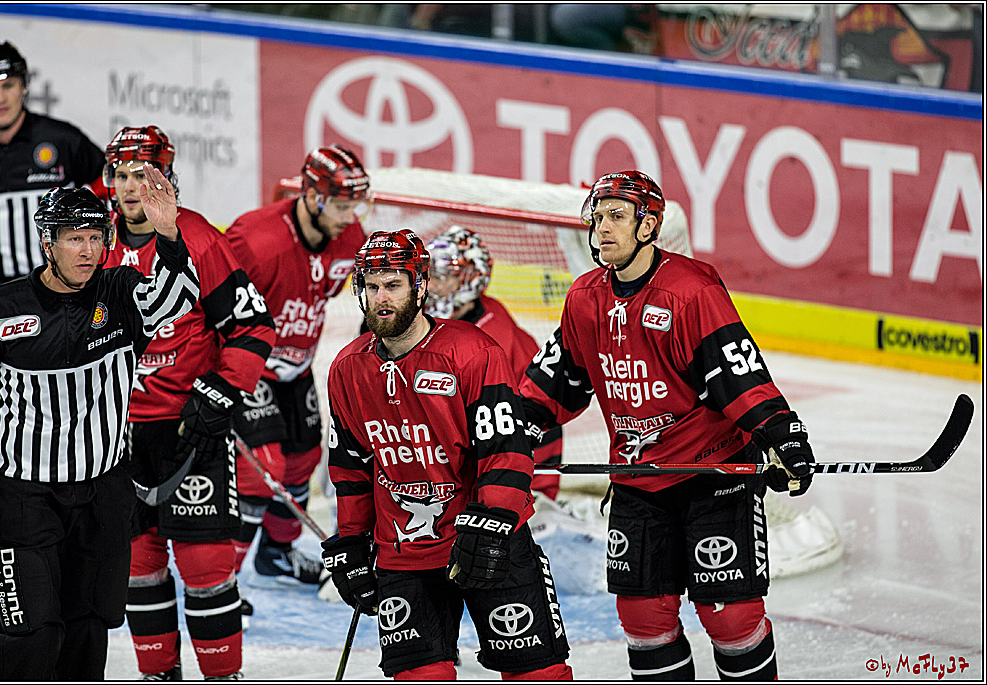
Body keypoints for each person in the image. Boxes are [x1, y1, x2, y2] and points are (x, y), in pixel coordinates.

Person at [518, 171, 816, 680]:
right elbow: (553, 385)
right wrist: (500, 433)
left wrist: (780, 433)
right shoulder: (584, 298)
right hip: (637, 480)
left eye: (617, 217)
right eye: (598, 217)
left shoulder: (690, 290)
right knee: (643, 621)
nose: (602, 228)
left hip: (715, 474)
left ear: (649, 225)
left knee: (732, 620)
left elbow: (737, 373)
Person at [0, 171, 200, 681]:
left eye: (97, 237)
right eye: (75, 238)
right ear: (47, 242)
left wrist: (169, 233)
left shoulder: (119, 293)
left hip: (102, 494)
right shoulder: (0, 308)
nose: (88, 250)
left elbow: (179, 299)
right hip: (21, 496)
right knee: (31, 631)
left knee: (89, 627)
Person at [320, 229, 574, 680]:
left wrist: (492, 523)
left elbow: (506, 452)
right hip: (404, 551)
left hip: (487, 537)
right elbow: (351, 469)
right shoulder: (346, 369)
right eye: (372, 285)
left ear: (420, 287)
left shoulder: (472, 352)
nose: (382, 297)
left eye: (394, 285)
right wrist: (352, 542)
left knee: (539, 675)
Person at [101, 126, 275, 680]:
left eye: (144, 175)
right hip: (114, 437)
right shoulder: (91, 239)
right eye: (122, 176)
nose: (132, 188)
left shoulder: (197, 236)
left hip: (188, 431)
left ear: (167, 177)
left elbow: (252, 326)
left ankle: (223, 676)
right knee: (138, 564)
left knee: (206, 564)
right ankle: (158, 673)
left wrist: (222, 390)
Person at [223, 145, 370, 587]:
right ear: (313, 196)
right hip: (248, 366)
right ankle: (223, 581)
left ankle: (277, 555)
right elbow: (209, 304)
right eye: (342, 205)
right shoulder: (253, 239)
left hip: (297, 366)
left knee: (304, 460)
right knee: (260, 469)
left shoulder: (351, 237)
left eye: (354, 205)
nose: (350, 216)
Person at [0, 41, 105, 321]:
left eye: (8, 86)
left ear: (24, 86)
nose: (0, 98)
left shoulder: (62, 140)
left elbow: (111, 187)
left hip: (56, 290)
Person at [425, 225, 563, 500]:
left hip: (520, 467)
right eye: (430, 275)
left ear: (471, 279)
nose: (432, 285)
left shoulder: (491, 338)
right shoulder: (470, 317)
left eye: (443, 277)